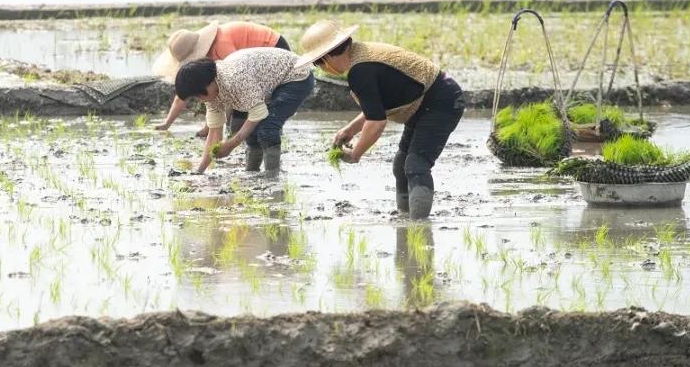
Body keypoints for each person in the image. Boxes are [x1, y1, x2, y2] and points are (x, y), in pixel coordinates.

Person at [299, 20, 465, 219]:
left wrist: (356, 154)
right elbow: (377, 108)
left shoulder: (361, 70)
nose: (320, 67)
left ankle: (418, 227)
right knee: (401, 165)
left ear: (326, 57)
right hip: (422, 104)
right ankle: (405, 215)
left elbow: (377, 122)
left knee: (416, 164)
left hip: (440, 101)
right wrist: (350, 130)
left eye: (318, 62)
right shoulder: (360, 56)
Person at [174, 47, 314, 175]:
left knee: (267, 128)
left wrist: (232, 143)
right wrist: (199, 171)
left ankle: (272, 176)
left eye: (198, 95)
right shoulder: (211, 95)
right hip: (270, 82)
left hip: (296, 74)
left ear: (208, 83)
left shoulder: (235, 78)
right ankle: (252, 172)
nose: (200, 100)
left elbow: (258, 113)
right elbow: (214, 132)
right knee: (251, 132)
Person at [152, 21, 290, 135]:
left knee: (247, 116)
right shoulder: (206, 57)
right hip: (249, 68)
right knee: (237, 122)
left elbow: (232, 88)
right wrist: (167, 123)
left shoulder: (222, 48)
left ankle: (268, 137)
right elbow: (183, 93)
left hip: (273, 50)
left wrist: (211, 128)